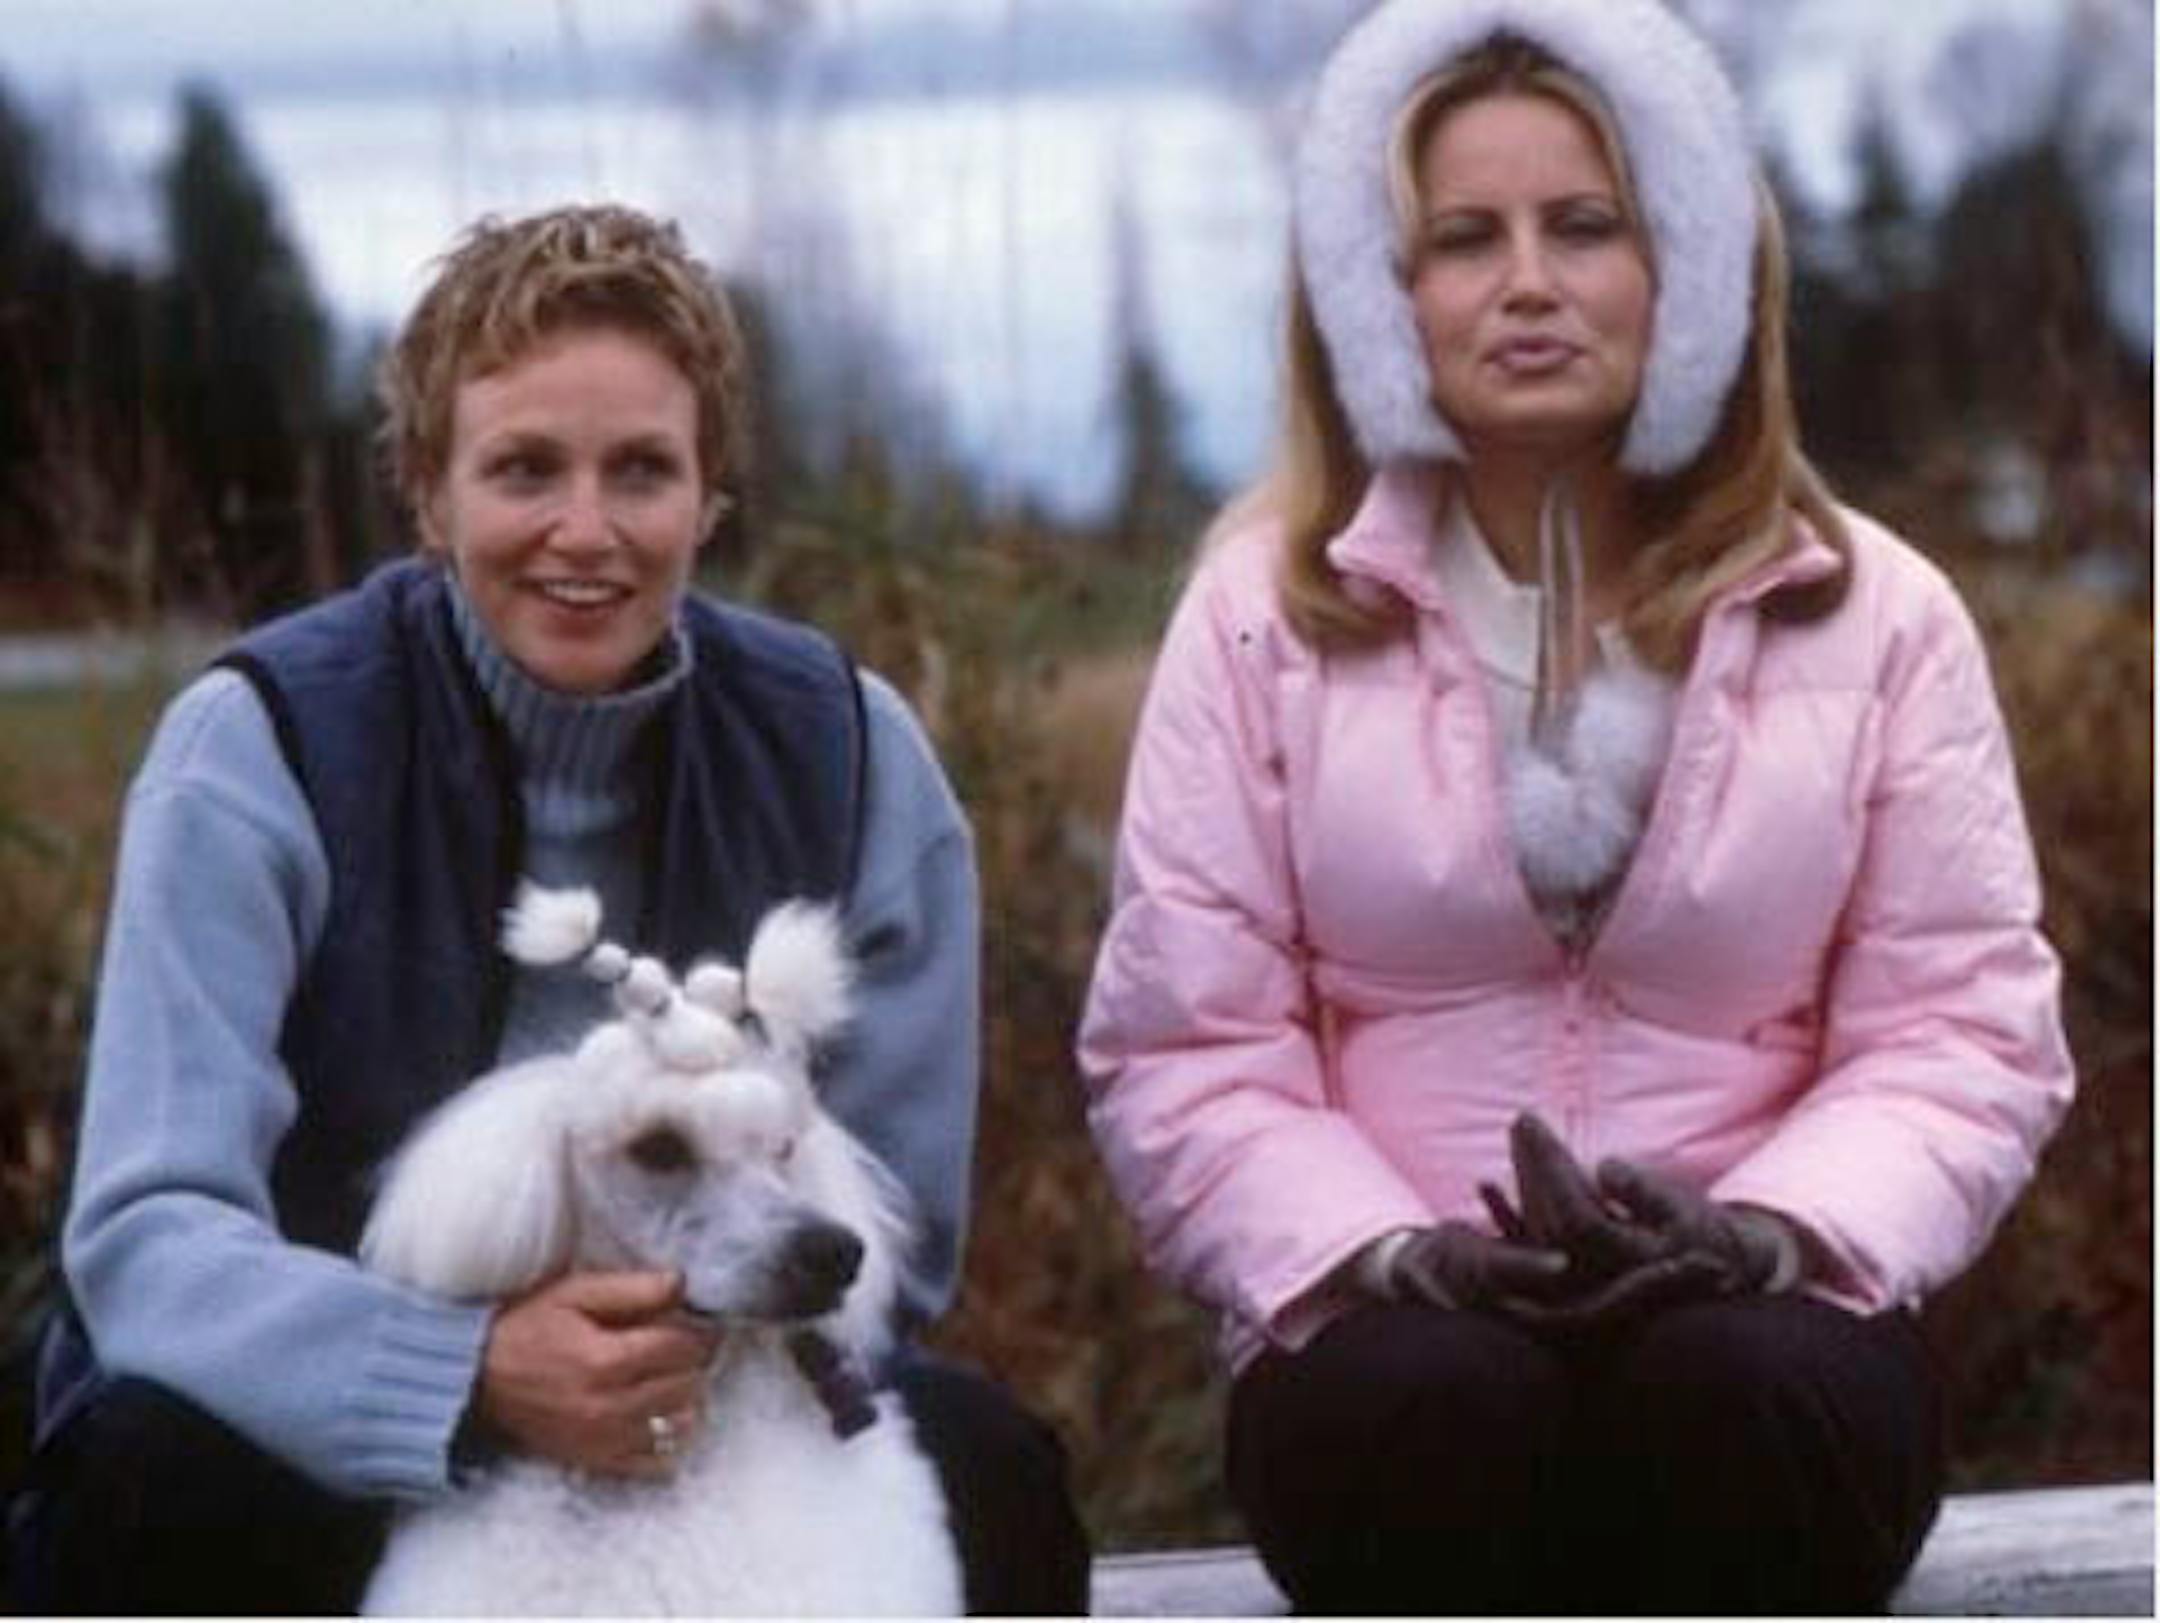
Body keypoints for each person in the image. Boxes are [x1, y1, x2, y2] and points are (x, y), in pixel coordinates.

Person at [1077, 0, 2074, 1613]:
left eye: (1585, 227)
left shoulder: (1880, 614)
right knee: (1435, 1405)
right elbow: (1187, 1045)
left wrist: (1767, 1235)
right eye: (1463, 238)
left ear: (1685, 268)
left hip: (1778, 1330)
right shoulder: (1259, 616)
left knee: (1735, 1397)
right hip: (1381, 1346)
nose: (1527, 281)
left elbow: (1966, 1029)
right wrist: (1395, 1262)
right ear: (1376, 295)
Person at [7, 202, 1089, 1615]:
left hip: (718, 1397)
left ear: (710, 498)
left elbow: (897, 1235)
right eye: (523, 469)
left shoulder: (852, 748)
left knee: (993, 1473)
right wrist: (465, 1375)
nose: (585, 532)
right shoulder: (252, 750)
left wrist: (666, 1356)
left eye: (642, 470)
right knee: (149, 1480)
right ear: (427, 491)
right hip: (317, 1423)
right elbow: (150, 1232)